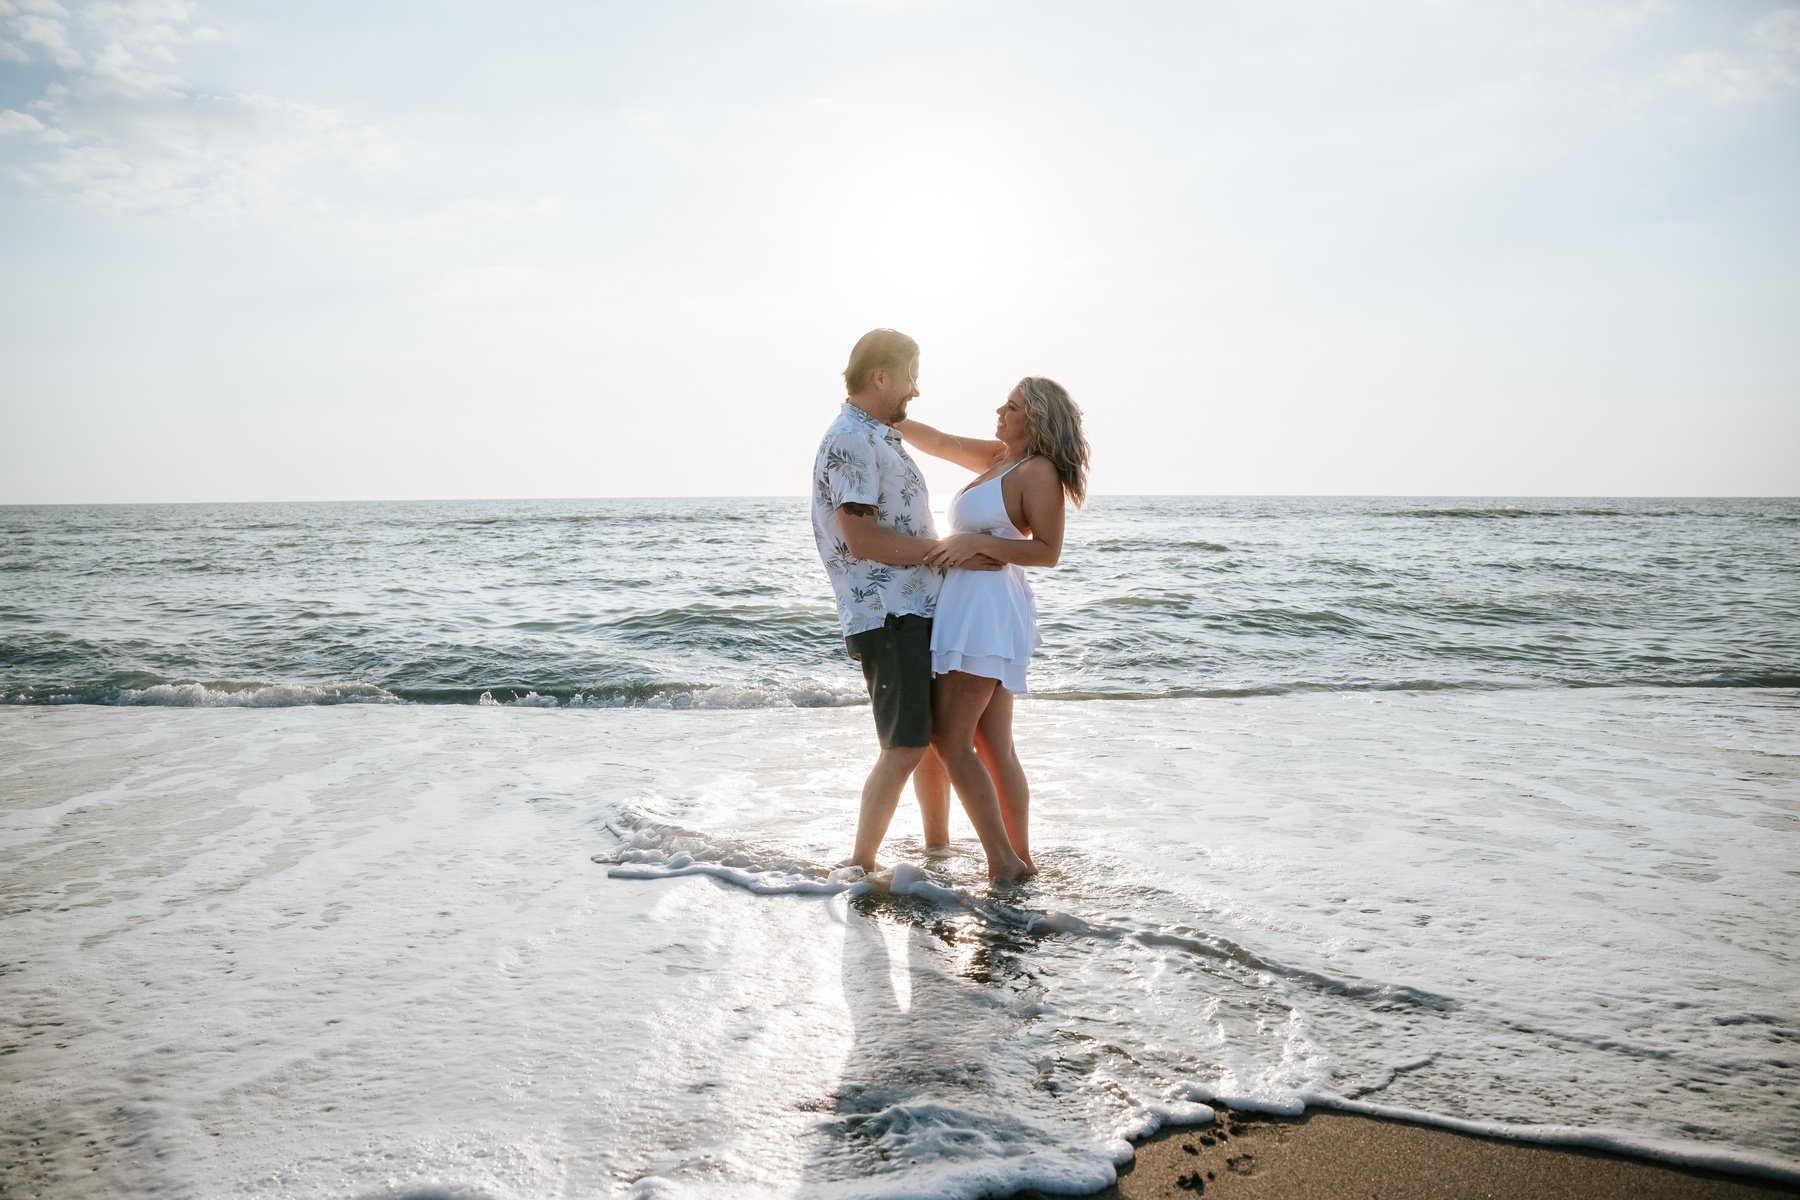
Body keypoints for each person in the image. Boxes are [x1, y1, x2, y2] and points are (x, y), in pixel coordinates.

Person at [811, 330, 1033, 883]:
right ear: (881, 376)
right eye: (910, 373)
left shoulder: (880, 437)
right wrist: (950, 555)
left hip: (913, 609)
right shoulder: (852, 441)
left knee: (926, 740)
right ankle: (860, 865)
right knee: (905, 743)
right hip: (886, 612)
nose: (917, 386)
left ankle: (939, 855)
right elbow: (861, 541)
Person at [898, 377, 1090, 875]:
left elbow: (1047, 551)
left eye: (1013, 406)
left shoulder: (1038, 470)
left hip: (986, 610)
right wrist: (881, 414)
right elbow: (938, 442)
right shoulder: (999, 458)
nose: (1000, 410)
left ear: (1037, 418)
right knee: (992, 745)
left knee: (948, 740)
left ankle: (1002, 861)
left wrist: (973, 547)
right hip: (969, 605)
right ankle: (1011, 857)